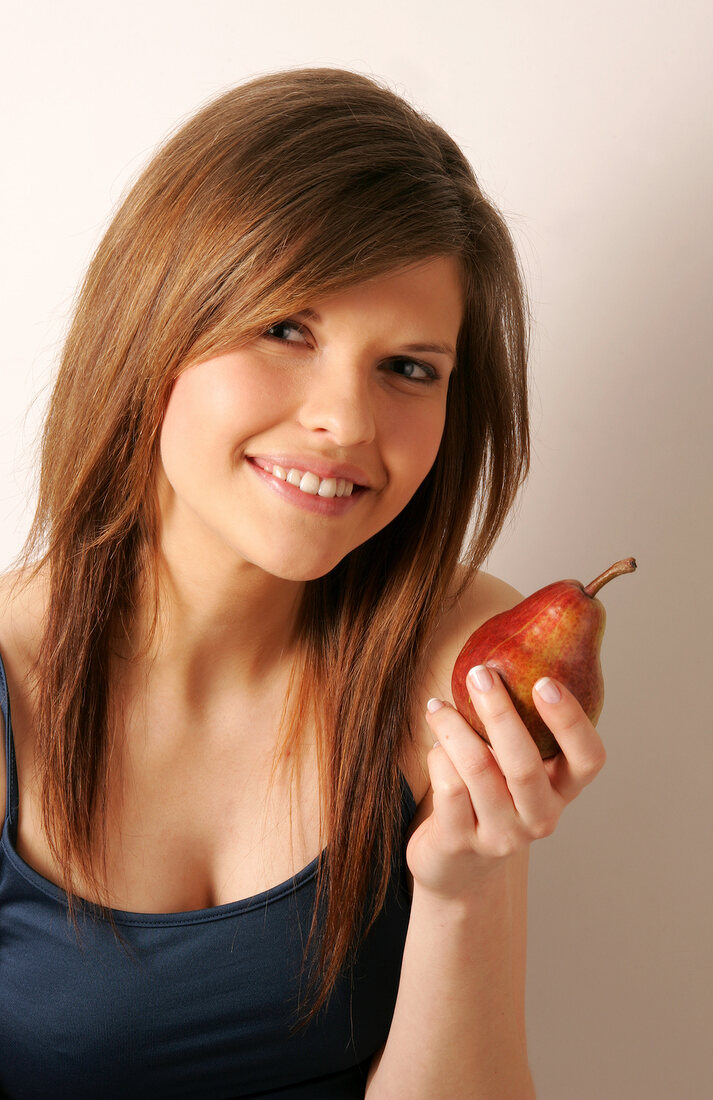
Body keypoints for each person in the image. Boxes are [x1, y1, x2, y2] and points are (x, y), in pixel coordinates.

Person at [0, 68, 606, 1099]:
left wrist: (464, 888)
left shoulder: (456, 661)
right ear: (154, 327)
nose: (345, 422)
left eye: (408, 367)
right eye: (287, 329)